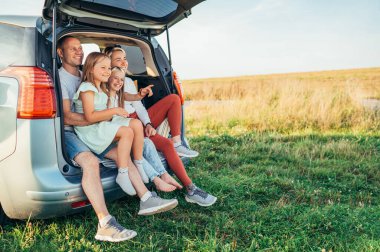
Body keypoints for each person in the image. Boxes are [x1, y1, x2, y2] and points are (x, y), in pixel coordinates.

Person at [57, 37, 174, 243]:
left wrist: (117, 111)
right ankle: (105, 223)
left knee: (123, 154)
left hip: (96, 128)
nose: (78, 52)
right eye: (72, 49)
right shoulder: (63, 78)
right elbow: (67, 117)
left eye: (80, 48)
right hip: (71, 132)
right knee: (91, 162)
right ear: (60, 53)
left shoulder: (90, 75)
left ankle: (146, 198)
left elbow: (112, 98)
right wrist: (106, 118)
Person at [106, 46, 217, 206]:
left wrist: (148, 123)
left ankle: (178, 144)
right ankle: (188, 187)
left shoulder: (127, 81)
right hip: (127, 125)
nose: (124, 62)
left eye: (125, 58)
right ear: (108, 63)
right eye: (118, 59)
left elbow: (139, 106)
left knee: (173, 99)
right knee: (164, 144)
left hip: (138, 120)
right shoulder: (108, 83)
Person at [107, 66, 182, 192]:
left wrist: (140, 95)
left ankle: (164, 174)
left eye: (122, 79)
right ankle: (156, 180)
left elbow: (132, 98)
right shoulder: (103, 95)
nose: (119, 82)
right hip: (112, 135)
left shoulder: (119, 94)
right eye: (115, 78)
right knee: (135, 148)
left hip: (123, 131)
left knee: (147, 143)